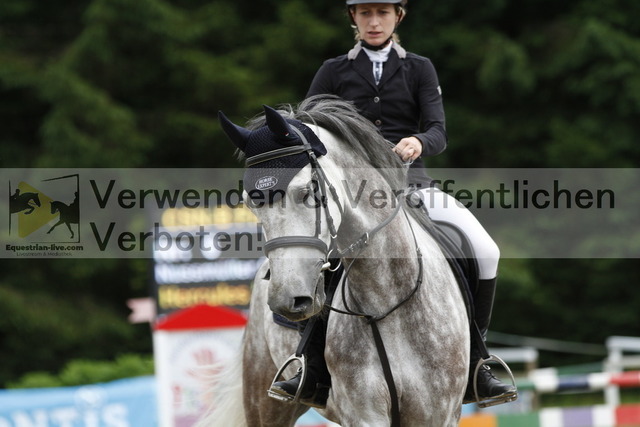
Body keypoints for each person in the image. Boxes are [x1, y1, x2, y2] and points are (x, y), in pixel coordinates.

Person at [269, 0, 517, 408]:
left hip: (412, 184)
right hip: (353, 195)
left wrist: (418, 141)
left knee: (486, 250)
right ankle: (310, 366)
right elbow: (308, 132)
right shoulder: (333, 71)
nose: (374, 21)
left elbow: (438, 130)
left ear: (397, 17)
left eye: (382, 13)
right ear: (353, 18)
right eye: (365, 14)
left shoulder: (419, 68)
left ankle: (477, 361)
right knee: (323, 262)